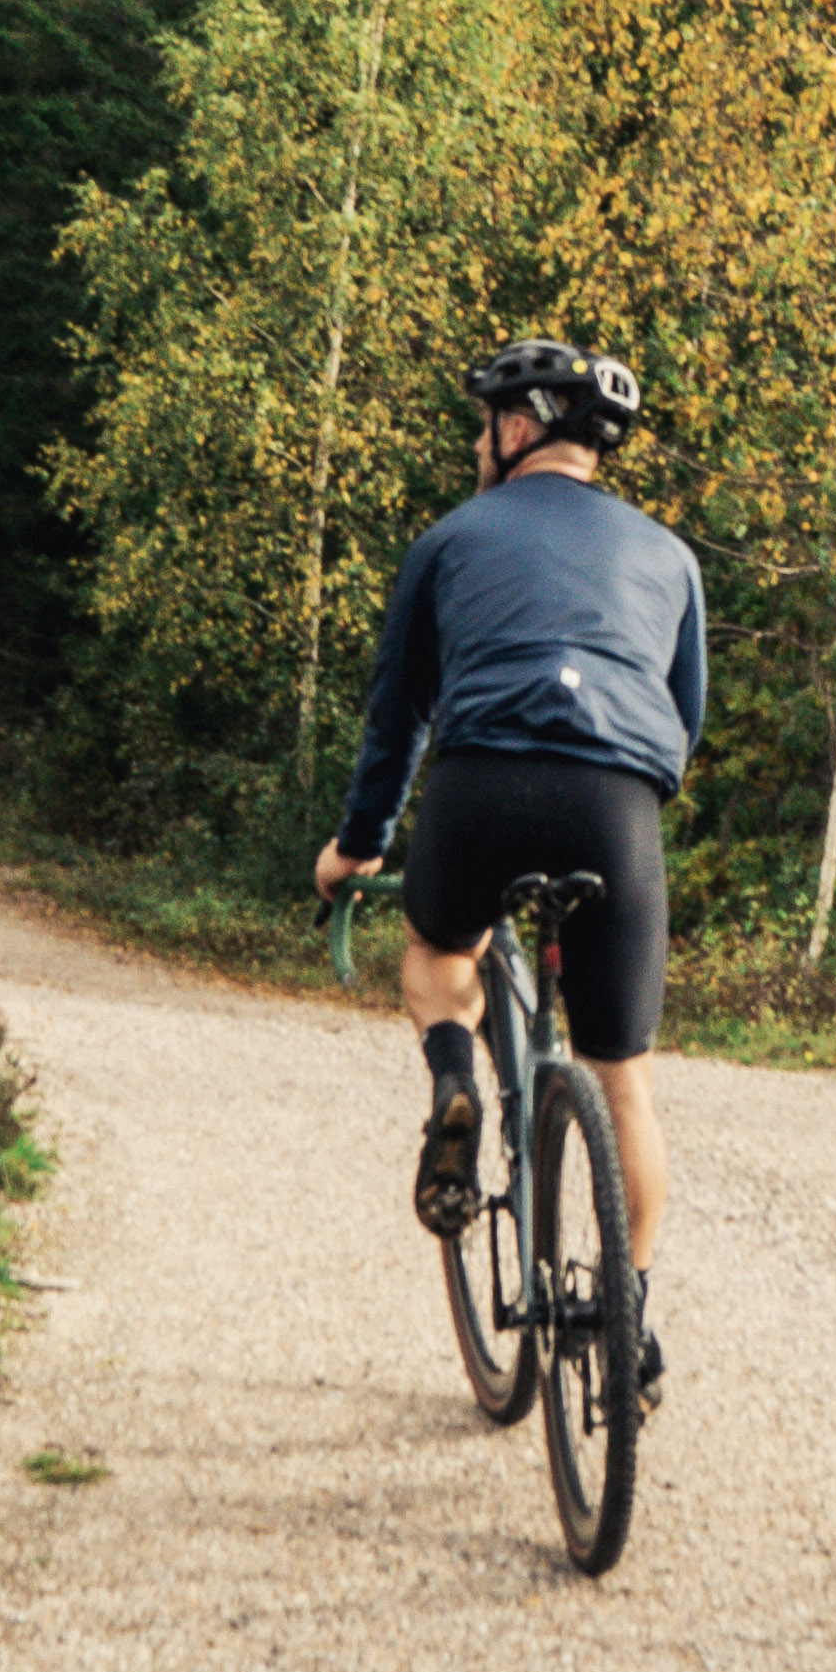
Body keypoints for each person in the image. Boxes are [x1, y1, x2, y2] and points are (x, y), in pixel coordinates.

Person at [314, 337, 706, 1390]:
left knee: (440, 961)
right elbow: (687, 716)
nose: (476, 441)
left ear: (519, 428)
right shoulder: (669, 556)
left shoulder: (448, 539)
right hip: (615, 802)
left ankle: (456, 1087)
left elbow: (396, 720)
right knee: (624, 1081)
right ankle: (626, 1326)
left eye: (483, 421)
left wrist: (357, 845)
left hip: (482, 783)